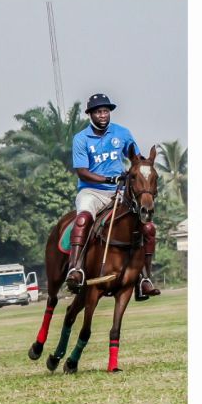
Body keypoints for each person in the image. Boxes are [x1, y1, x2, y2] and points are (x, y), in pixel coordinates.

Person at [65, 93, 160, 300]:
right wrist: (107, 180)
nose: (103, 115)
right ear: (90, 114)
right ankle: (76, 268)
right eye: (98, 111)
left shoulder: (122, 133)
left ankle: (144, 278)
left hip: (118, 193)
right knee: (83, 219)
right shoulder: (81, 139)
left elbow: (134, 158)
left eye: (106, 111)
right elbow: (81, 171)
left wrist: (145, 166)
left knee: (146, 227)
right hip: (91, 191)